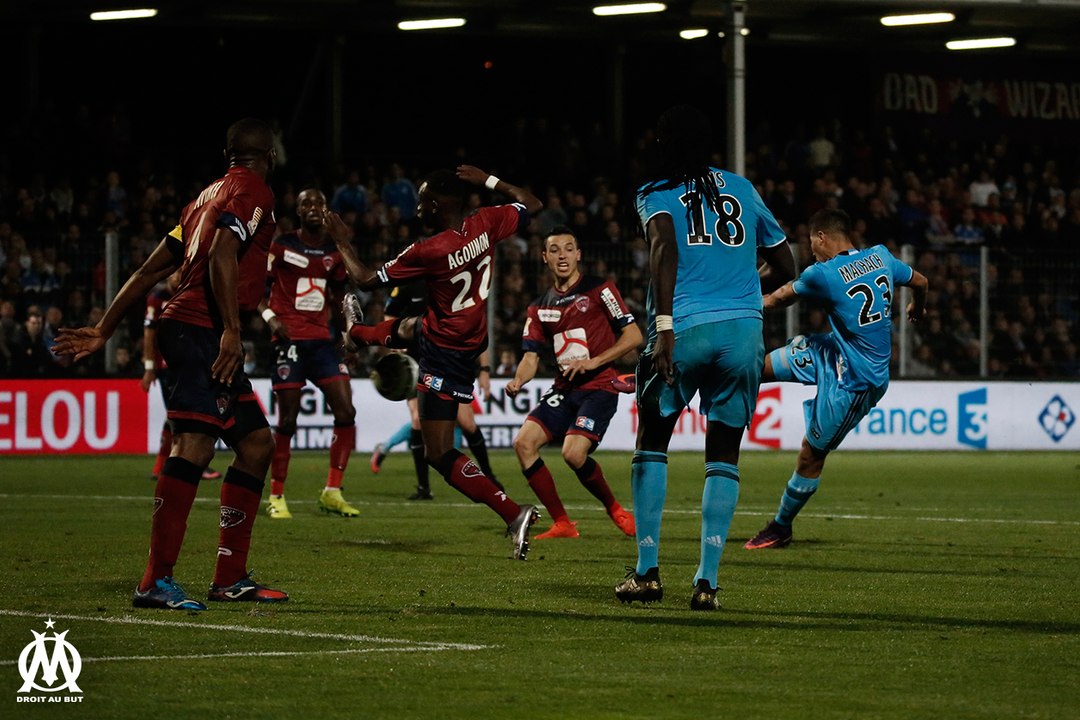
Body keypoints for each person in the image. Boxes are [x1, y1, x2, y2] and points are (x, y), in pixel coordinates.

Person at [54, 118, 287, 611]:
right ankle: (154, 581)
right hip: (199, 330)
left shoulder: (204, 198)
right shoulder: (256, 191)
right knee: (195, 445)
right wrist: (231, 329)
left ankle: (229, 577)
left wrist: (104, 327)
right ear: (267, 151)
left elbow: (148, 268)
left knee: (255, 444)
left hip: (189, 327)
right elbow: (225, 252)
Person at [614, 104, 796, 611]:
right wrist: (738, 279)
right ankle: (707, 582)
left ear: (666, 142)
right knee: (724, 452)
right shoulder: (741, 186)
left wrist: (667, 326)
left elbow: (665, 250)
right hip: (743, 334)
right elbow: (787, 261)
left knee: (652, 441)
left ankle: (648, 573)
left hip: (684, 329)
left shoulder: (655, 192)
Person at [331, 164, 544, 560]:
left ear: (435, 205)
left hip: (443, 353)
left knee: (439, 454)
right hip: (468, 338)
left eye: (421, 202)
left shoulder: (429, 249)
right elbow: (533, 203)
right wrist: (490, 181)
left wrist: (342, 241)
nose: (416, 209)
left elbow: (362, 277)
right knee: (412, 325)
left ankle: (514, 513)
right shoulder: (486, 222)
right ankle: (357, 335)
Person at [745, 208, 928, 550]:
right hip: (831, 352)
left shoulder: (822, 273)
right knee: (753, 369)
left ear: (822, 237)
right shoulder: (882, 256)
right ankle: (687, 377)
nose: (810, 250)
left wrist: (739, 303)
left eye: (811, 243)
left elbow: (778, 298)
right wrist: (917, 306)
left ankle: (781, 527)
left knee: (810, 455)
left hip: (858, 380)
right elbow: (922, 282)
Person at [505, 226, 641, 540]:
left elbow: (633, 336)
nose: (562, 255)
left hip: (600, 386)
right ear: (544, 258)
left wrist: (594, 361)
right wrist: (518, 380)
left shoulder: (600, 289)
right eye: (554, 250)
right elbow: (531, 357)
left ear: (578, 255)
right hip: (564, 389)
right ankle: (563, 524)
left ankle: (615, 510)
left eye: (568, 248)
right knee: (523, 444)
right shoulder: (539, 307)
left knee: (573, 454)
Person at [259, 188, 359, 520]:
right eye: (306, 204)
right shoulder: (282, 245)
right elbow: (255, 290)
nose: (314, 208)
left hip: (321, 342)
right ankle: (276, 495)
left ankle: (332, 491)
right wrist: (271, 318)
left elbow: (341, 297)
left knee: (346, 411)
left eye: (319, 203)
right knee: (288, 419)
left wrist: (348, 334)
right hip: (288, 340)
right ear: (298, 211)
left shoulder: (334, 251)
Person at [369, 280, 501, 501]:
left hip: (448, 361)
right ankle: (424, 488)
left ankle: (490, 477)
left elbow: (477, 328)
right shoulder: (408, 285)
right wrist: (395, 342)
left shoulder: (454, 284)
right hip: (415, 364)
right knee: (416, 421)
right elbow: (389, 315)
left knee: (467, 422)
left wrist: (485, 369)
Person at [141, 269, 222, 482]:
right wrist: (150, 366)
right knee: (185, 415)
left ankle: (162, 466)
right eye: (175, 273)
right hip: (168, 367)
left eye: (182, 273)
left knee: (175, 416)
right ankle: (193, 464)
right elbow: (149, 333)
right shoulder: (157, 299)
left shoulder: (191, 295)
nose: (178, 277)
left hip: (191, 364)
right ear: (168, 275)